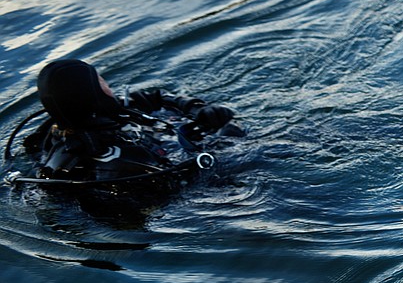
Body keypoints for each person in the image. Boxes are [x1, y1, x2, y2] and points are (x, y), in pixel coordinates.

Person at [4, 57, 241, 195]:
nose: (110, 88)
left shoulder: (55, 130)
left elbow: (155, 97)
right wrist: (228, 143)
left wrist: (196, 108)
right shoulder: (118, 158)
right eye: (101, 82)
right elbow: (187, 185)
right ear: (93, 93)